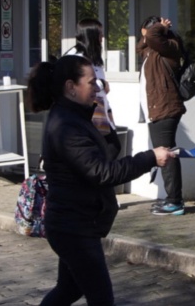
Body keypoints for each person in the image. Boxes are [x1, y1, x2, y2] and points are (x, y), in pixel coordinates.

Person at [28, 54, 175, 306]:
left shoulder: (74, 117)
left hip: (74, 222)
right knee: (101, 299)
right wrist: (149, 157)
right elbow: (102, 172)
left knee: (68, 289)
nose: (97, 88)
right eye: (91, 82)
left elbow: (99, 158)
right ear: (70, 87)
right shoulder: (66, 125)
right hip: (73, 227)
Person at [138, 16, 186, 216]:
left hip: (166, 108)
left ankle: (175, 201)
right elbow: (141, 46)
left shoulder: (170, 48)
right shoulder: (152, 50)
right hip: (156, 110)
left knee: (167, 154)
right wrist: (150, 33)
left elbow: (151, 35)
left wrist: (161, 27)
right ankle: (172, 199)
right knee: (165, 153)